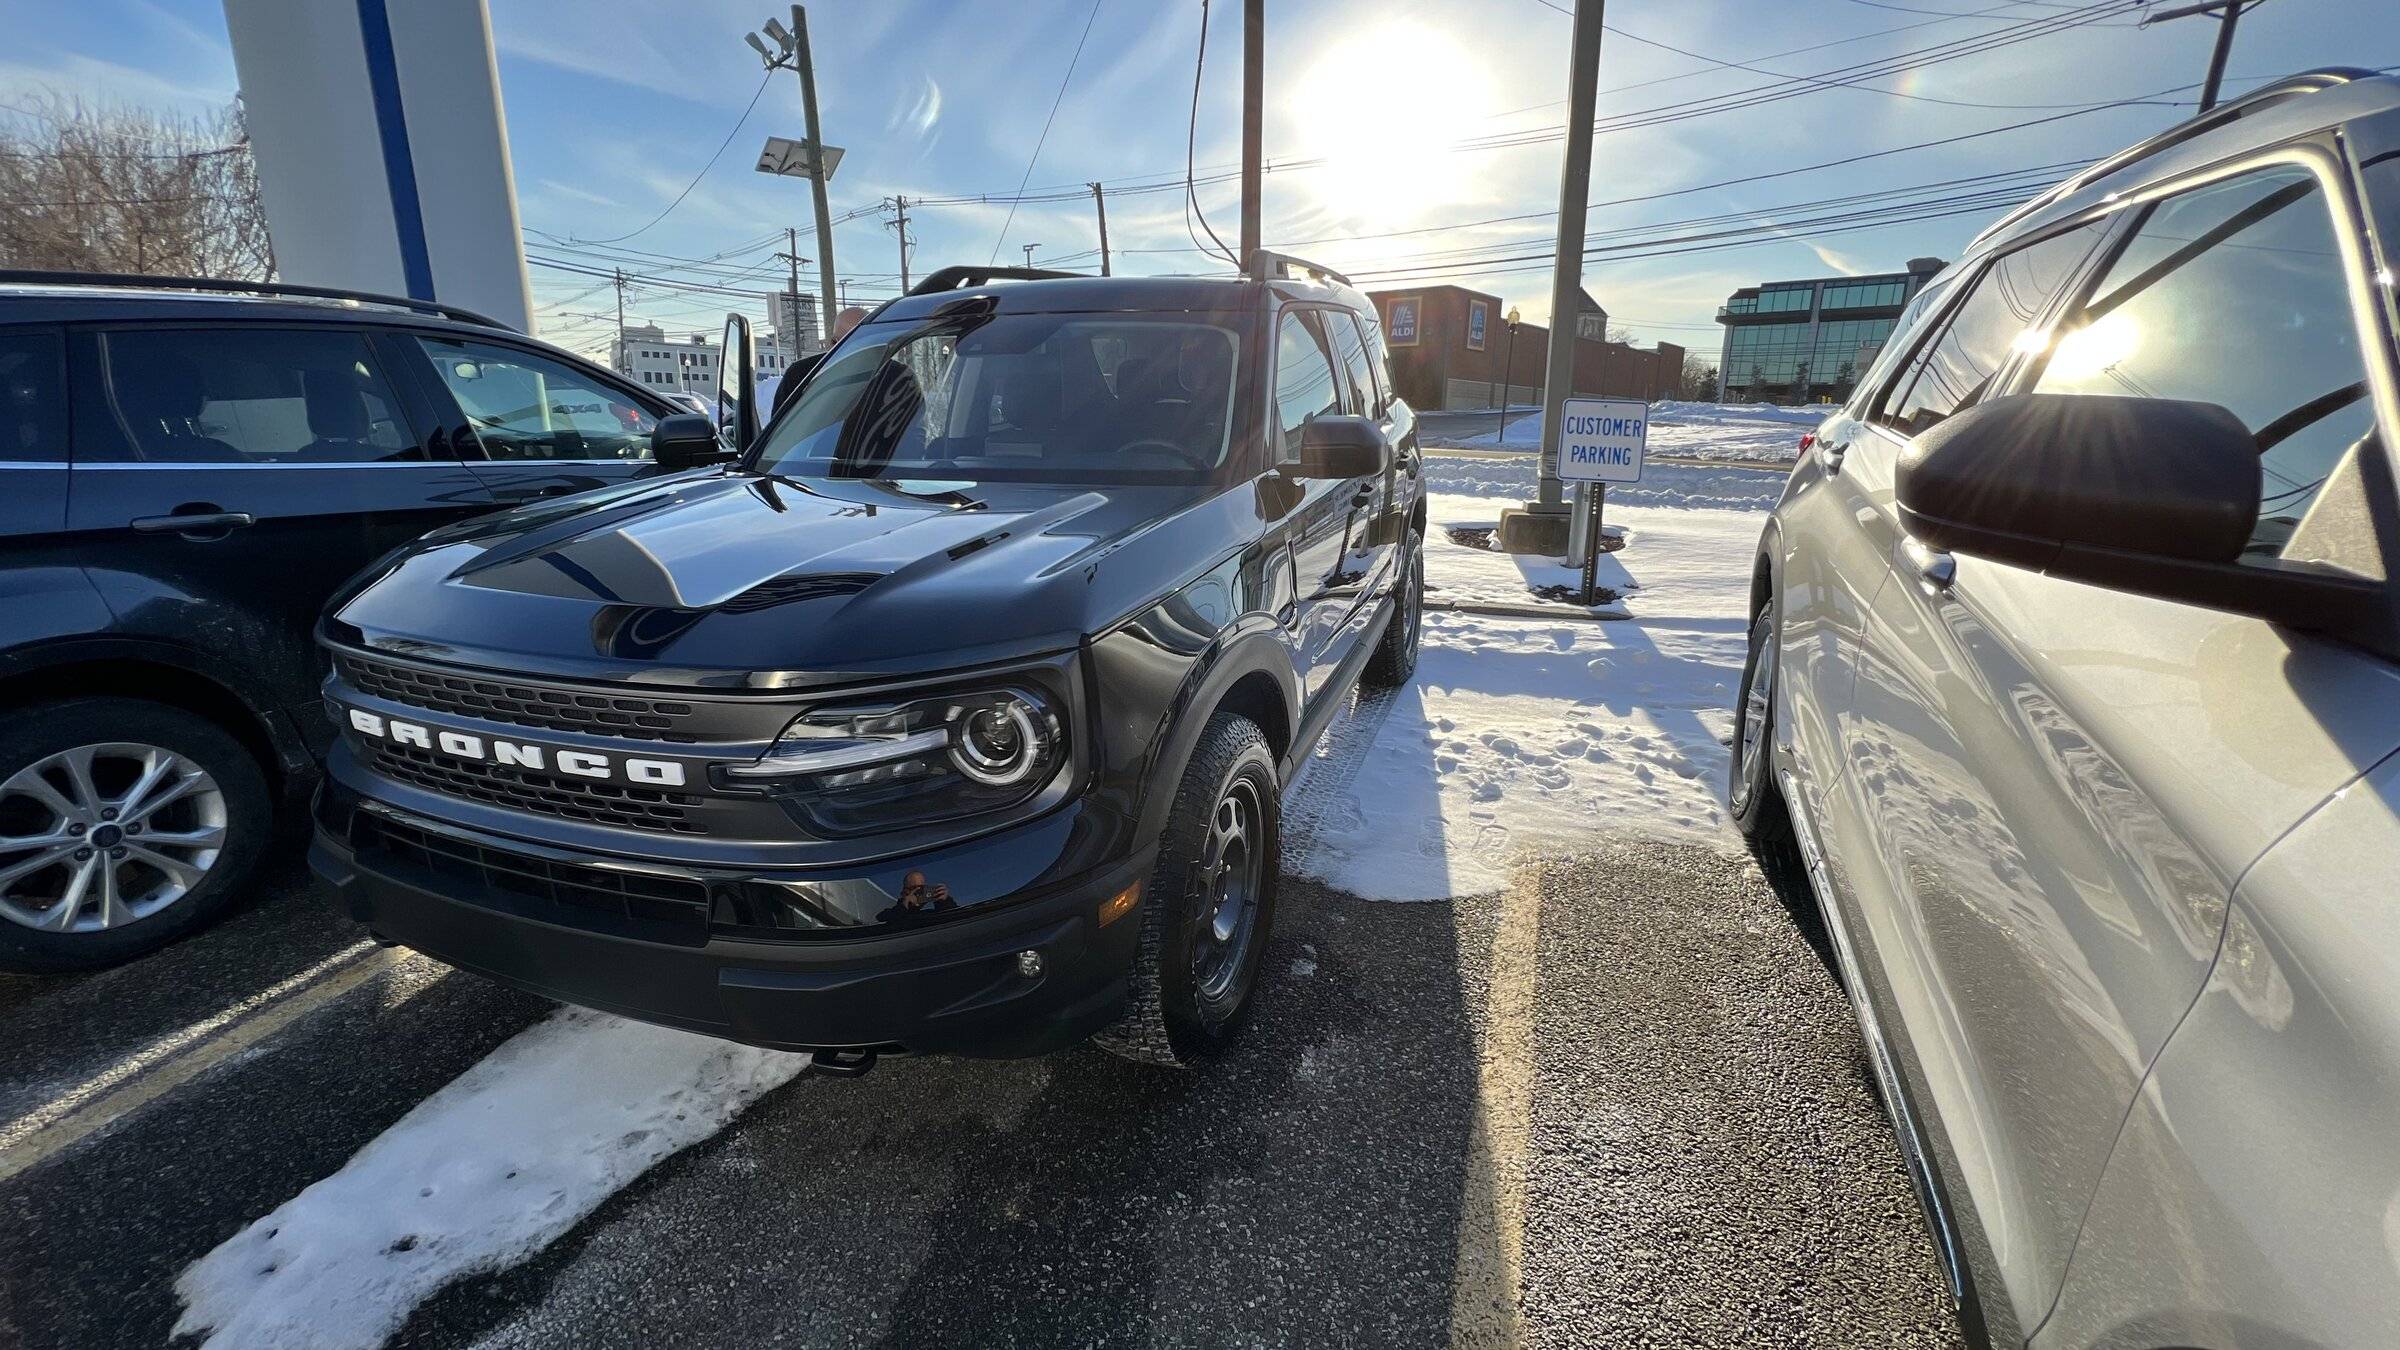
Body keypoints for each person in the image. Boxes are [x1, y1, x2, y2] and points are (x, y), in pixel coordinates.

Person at [875, 870, 954, 924]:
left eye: (921, 888)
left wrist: (944, 901)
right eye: (913, 888)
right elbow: (881, 920)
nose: (918, 891)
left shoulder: (933, 913)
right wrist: (904, 906)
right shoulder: (893, 914)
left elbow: (952, 919)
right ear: (904, 892)